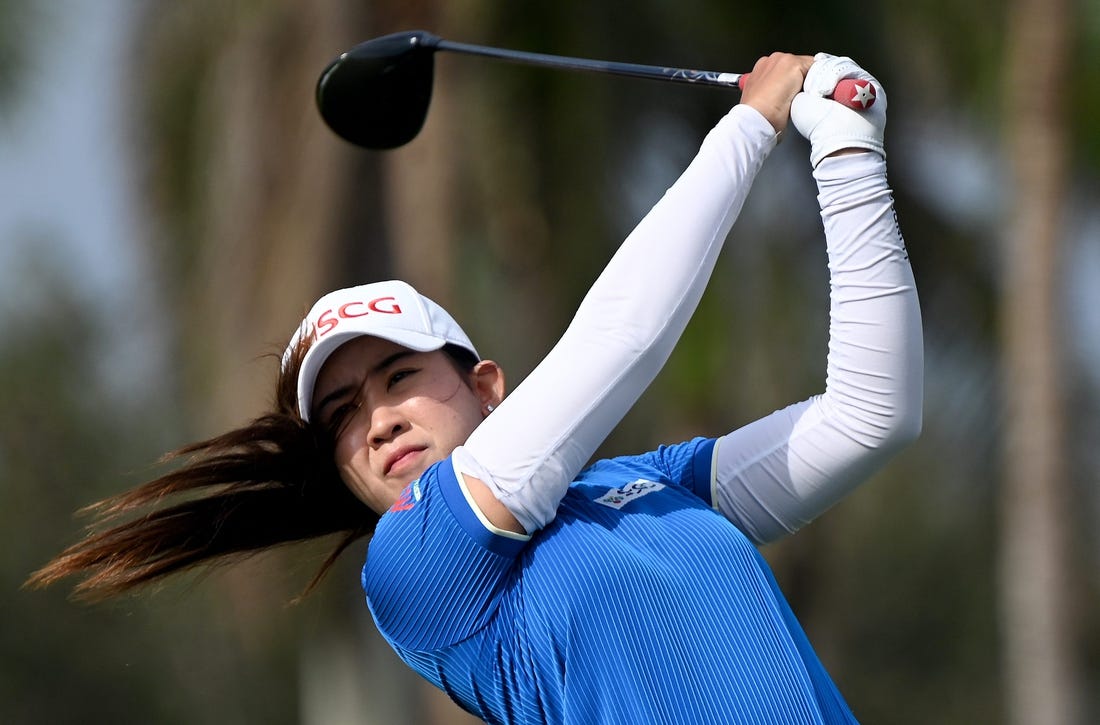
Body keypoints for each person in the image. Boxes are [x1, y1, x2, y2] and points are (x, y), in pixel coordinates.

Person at [29, 51, 922, 724]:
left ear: (487, 385)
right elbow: (620, 338)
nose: (377, 423)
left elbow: (869, 417)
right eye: (342, 417)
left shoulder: (647, 486)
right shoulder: (417, 569)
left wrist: (847, 149)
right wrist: (752, 123)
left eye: (399, 377)